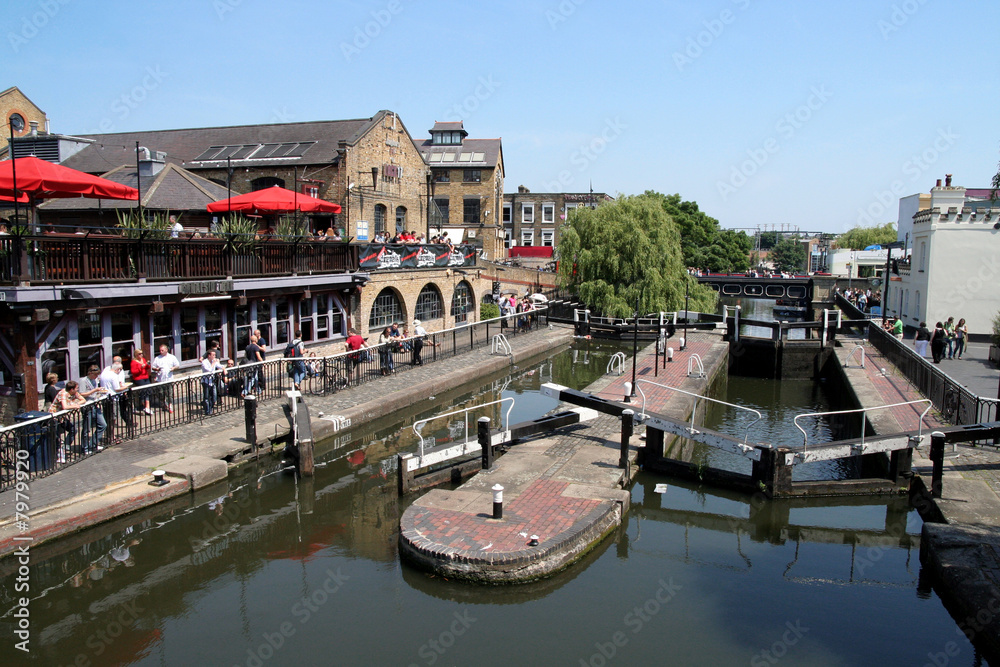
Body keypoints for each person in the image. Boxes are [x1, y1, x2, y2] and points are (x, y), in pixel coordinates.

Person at [48, 381, 94, 460]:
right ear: (71, 389)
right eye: (77, 388)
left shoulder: (74, 393)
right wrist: (74, 406)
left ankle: (65, 446)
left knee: (73, 429)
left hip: (62, 417)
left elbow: (83, 400)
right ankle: (58, 455)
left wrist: (76, 404)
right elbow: (65, 406)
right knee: (56, 436)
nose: (78, 390)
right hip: (54, 416)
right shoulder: (63, 393)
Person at [99, 361, 132, 441]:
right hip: (112, 398)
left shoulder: (104, 373)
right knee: (112, 418)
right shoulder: (114, 376)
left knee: (107, 417)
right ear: (118, 369)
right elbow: (117, 389)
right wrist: (126, 387)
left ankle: (109, 435)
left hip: (105, 398)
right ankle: (111, 436)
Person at [151, 343, 180, 413]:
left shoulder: (172, 357)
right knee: (161, 393)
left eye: (162, 350)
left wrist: (173, 368)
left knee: (169, 393)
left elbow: (177, 365)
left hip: (169, 378)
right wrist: (157, 369)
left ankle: (170, 405)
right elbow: (153, 367)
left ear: (166, 350)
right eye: (160, 350)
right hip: (160, 379)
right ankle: (163, 404)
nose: (161, 352)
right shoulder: (157, 358)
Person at [200, 349, 225, 415]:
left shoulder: (214, 361)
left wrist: (224, 369)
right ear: (209, 355)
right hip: (206, 381)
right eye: (213, 355)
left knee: (214, 396)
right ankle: (207, 411)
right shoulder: (204, 362)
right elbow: (209, 370)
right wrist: (213, 363)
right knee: (206, 397)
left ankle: (211, 407)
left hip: (212, 381)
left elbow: (220, 366)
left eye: (215, 355)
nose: (214, 356)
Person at [130, 349, 153, 415]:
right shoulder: (134, 362)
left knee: (148, 390)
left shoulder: (143, 359)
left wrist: (147, 365)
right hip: (139, 379)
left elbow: (147, 367)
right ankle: (145, 406)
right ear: (136, 355)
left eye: (142, 353)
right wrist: (141, 367)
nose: (141, 355)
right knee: (143, 391)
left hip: (145, 377)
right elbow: (134, 372)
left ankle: (147, 407)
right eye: (139, 354)